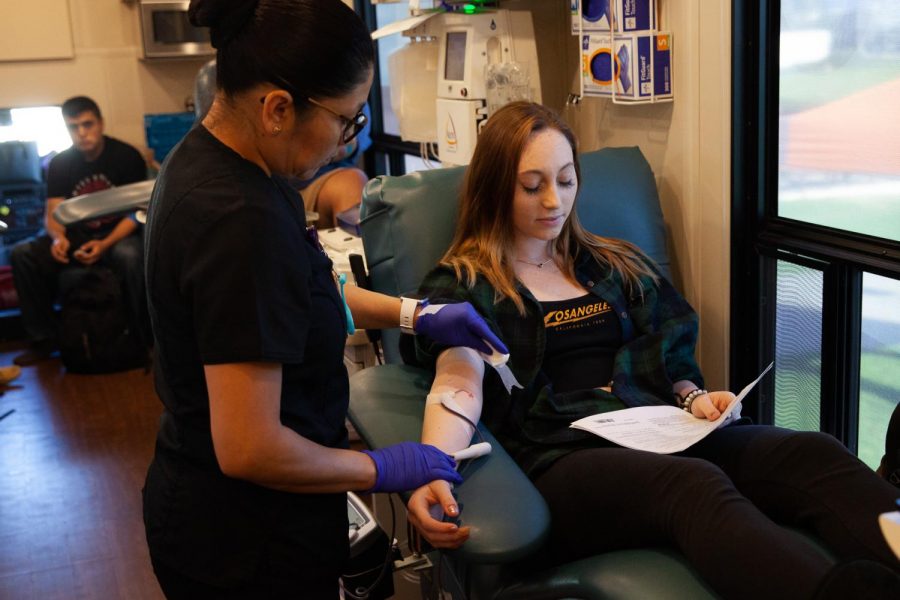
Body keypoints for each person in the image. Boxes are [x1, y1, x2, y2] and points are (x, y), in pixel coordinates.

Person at [403, 102, 900, 599]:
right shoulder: (467, 285)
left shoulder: (614, 264)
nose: (554, 200)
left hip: (657, 430)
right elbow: (457, 384)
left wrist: (693, 399)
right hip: (563, 458)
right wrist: (434, 463)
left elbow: (669, 362)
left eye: (567, 180)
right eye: (532, 186)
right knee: (692, 486)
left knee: (809, 453)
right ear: (494, 188)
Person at [141, 1, 507, 598]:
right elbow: (250, 448)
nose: (348, 140)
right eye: (347, 120)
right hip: (243, 543)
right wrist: (383, 467)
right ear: (279, 108)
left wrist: (416, 314)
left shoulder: (230, 167)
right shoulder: (238, 220)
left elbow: (307, 296)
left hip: (221, 510)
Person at [10, 96, 147, 366]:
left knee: (132, 257)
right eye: (74, 127)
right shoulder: (61, 164)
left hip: (119, 234)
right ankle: (43, 340)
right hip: (77, 237)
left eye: (87, 124)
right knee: (22, 254)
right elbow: (53, 212)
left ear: (100, 123)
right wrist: (57, 238)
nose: (82, 133)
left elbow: (138, 213)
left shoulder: (126, 156)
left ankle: (145, 339)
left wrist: (105, 244)